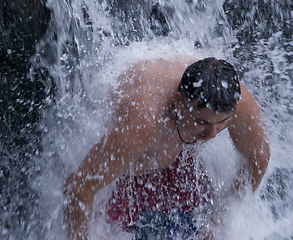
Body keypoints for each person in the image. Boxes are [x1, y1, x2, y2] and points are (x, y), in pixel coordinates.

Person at [63, 56, 270, 240]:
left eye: (221, 123)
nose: (212, 135)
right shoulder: (144, 123)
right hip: (125, 171)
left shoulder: (238, 105)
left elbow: (258, 159)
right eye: (201, 122)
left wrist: (220, 219)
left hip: (174, 153)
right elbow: (79, 188)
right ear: (178, 102)